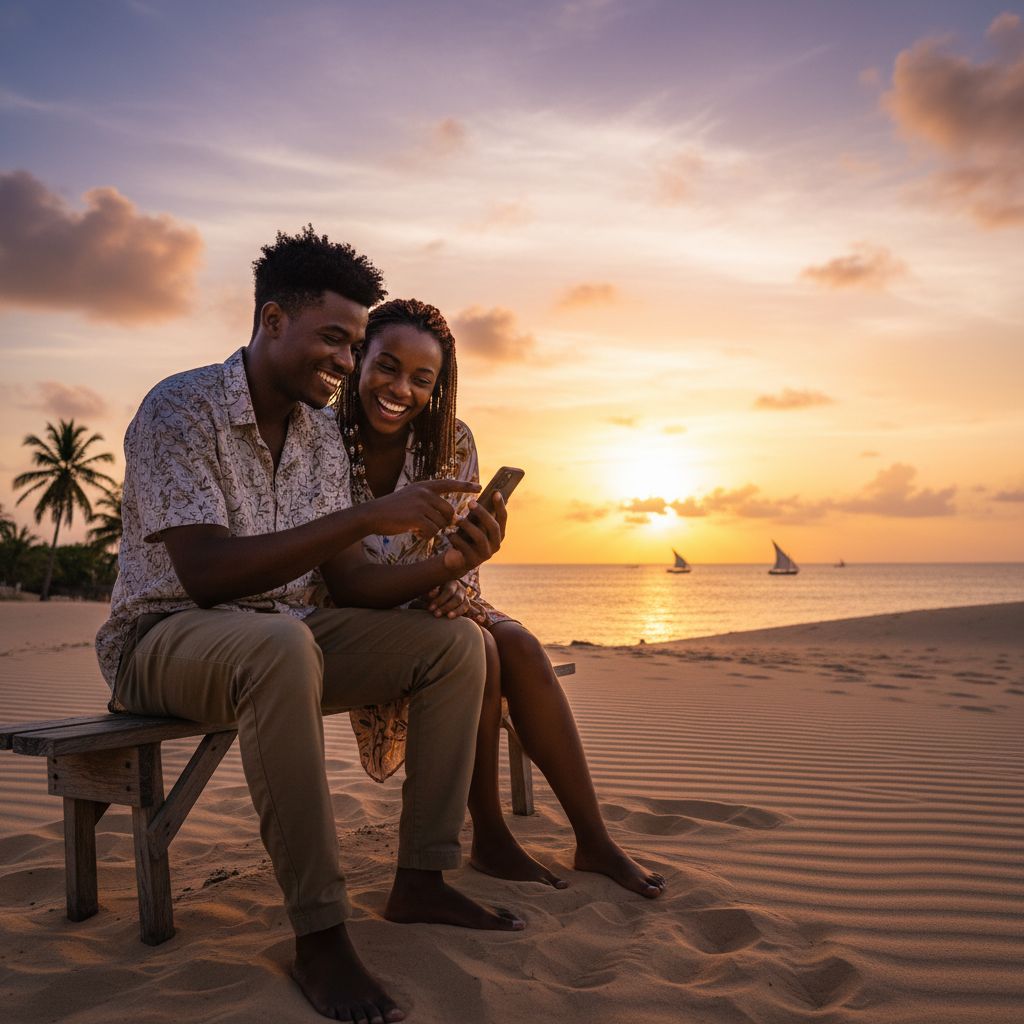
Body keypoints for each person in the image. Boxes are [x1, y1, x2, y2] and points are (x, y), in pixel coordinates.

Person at [94, 227, 522, 1024]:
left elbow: (353, 582)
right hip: (163, 637)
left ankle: (422, 880)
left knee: (458, 644)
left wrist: (451, 564)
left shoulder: (321, 435)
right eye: (336, 339)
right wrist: (368, 512)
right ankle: (320, 933)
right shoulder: (179, 408)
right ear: (271, 321)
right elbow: (207, 574)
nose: (347, 362)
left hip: (282, 632)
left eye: (353, 344)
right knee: (281, 642)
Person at [325, 298, 666, 899]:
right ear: (357, 361)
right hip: (350, 615)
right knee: (477, 646)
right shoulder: (321, 440)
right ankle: (488, 834)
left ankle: (594, 839)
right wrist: (446, 576)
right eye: (386, 366)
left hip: (431, 598)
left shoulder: (449, 440)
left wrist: (456, 580)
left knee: (520, 645)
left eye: (422, 379)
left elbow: (457, 555)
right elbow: (339, 578)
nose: (400, 388)